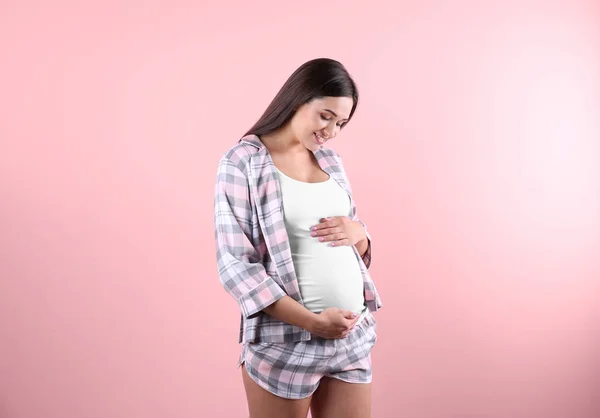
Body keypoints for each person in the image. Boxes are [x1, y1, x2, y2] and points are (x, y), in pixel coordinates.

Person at [214, 57, 383, 418]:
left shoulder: (331, 162)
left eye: (341, 123)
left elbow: (352, 239)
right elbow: (237, 267)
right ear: (298, 98)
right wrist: (312, 322)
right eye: (326, 116)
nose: (332, 132)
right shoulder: (243, 161)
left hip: (352, 337)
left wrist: (360, 234)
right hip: (285, 342)